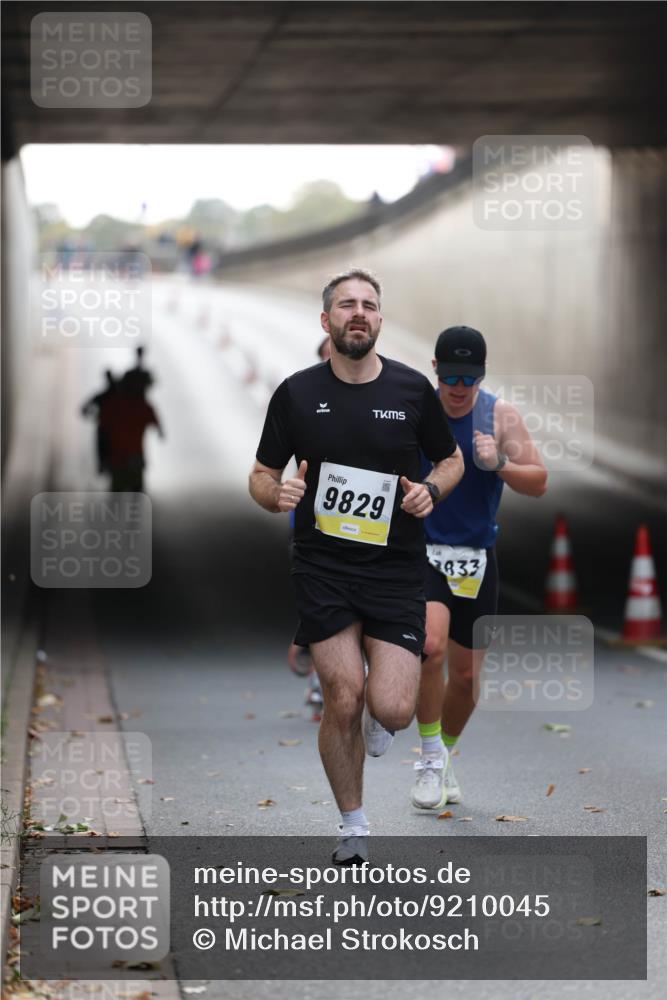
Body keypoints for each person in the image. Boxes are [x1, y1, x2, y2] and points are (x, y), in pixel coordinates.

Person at [249, 268, 464, 863]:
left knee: (390, 706)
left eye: (369, 304)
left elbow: (450, 462)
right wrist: (278, 495)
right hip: (322, 567)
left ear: (379, 320)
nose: (358, 313)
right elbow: (261, 475)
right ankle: (353, 828)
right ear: (327, 320)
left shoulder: (410, 390)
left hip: (396, 569)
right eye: (347, 305)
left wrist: (430, 491)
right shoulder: (295, 393)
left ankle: (382, 720)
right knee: (342, 696)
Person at [410, 326, 547, 811]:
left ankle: (443, 753)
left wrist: (499, 465)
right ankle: (427, 758)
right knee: (431, 645)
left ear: (482, 376)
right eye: (450, 377)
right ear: (435, 370)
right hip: (423, 551)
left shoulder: (499, 414)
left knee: (467, 679)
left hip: (475, 558)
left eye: (469, 378)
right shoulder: (417, 409)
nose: (459, 388)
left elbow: (538, 481)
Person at [286, 335, 332, 722]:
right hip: (315, 533)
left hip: (370, 536)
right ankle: (321, 683)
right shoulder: (303, 399)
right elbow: (267, 472)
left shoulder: (387, 397)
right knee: (325, 612)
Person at [101, 370, 164, 492]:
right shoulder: (134, 405)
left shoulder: (118, 404)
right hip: (124, 455)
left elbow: (103, 424)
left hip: (123, 455)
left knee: (125, 488)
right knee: (131, 488)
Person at [81, 369, 117, 473]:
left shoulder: (105, 396)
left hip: (111, 430)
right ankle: (104, 465)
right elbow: (84, 409)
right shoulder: (104, 396)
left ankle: (104, 465)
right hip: (107, 429)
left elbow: (84, 409)